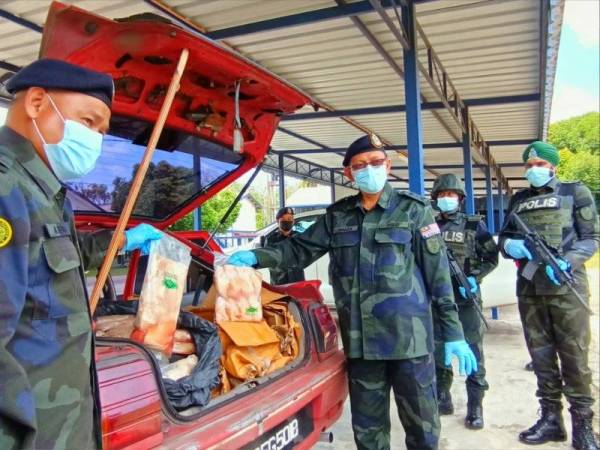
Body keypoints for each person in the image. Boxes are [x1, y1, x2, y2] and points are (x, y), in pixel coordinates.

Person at [228, 134, 477, 450]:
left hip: (410, 344)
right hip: (362, 345)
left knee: (423, 432)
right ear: (349, 173)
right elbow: (299, 250)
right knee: (368, 434)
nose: (368, 170)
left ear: (387, 166)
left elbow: (438, 275)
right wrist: (256, 256)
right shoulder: (337, 216)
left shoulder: (414, 211)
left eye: (375, 163)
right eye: (360, 165)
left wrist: (453, 332)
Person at [0, 59, 163, 449]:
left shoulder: (44, 189)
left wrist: (123, 240)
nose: (95, 141)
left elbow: (55, 258)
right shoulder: (7, 188)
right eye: (88, 122)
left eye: (102, 133)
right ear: (37, 102)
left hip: (63, 426)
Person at [499, 141, 599, 450]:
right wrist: (509, 246)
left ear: (553, 167)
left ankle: (583, 426)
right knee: (541, 358)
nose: (533, 170)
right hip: (530, 291)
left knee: (575, 359)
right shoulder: (518, 200)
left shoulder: (574, 192)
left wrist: (567, 261)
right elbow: (504, 238)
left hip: (566, 289)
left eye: (540, 164)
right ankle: (551, 420)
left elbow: (591, 237)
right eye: (529, 166)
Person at [430, 174, 499, 430]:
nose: (447, 199)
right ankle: (443, 396)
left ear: (460, 198)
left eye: (451, 194)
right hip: (437, 300)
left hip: (466, 299)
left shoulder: (473, 226)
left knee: (473, 352)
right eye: (442, 195)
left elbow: (491, 257)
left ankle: (475, 405)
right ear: (436, 199)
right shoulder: (429, 226)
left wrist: (475, 276)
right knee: (438, 351)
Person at [259, 206, 305, 285]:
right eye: (284, 219)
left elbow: (303, 256)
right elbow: (270, 259)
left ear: (293, 221)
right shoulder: (271, 239)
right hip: (279, 282)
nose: (287, 221)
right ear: (278, 221)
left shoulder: (299, 237)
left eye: (290, 219)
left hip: (297, 282)